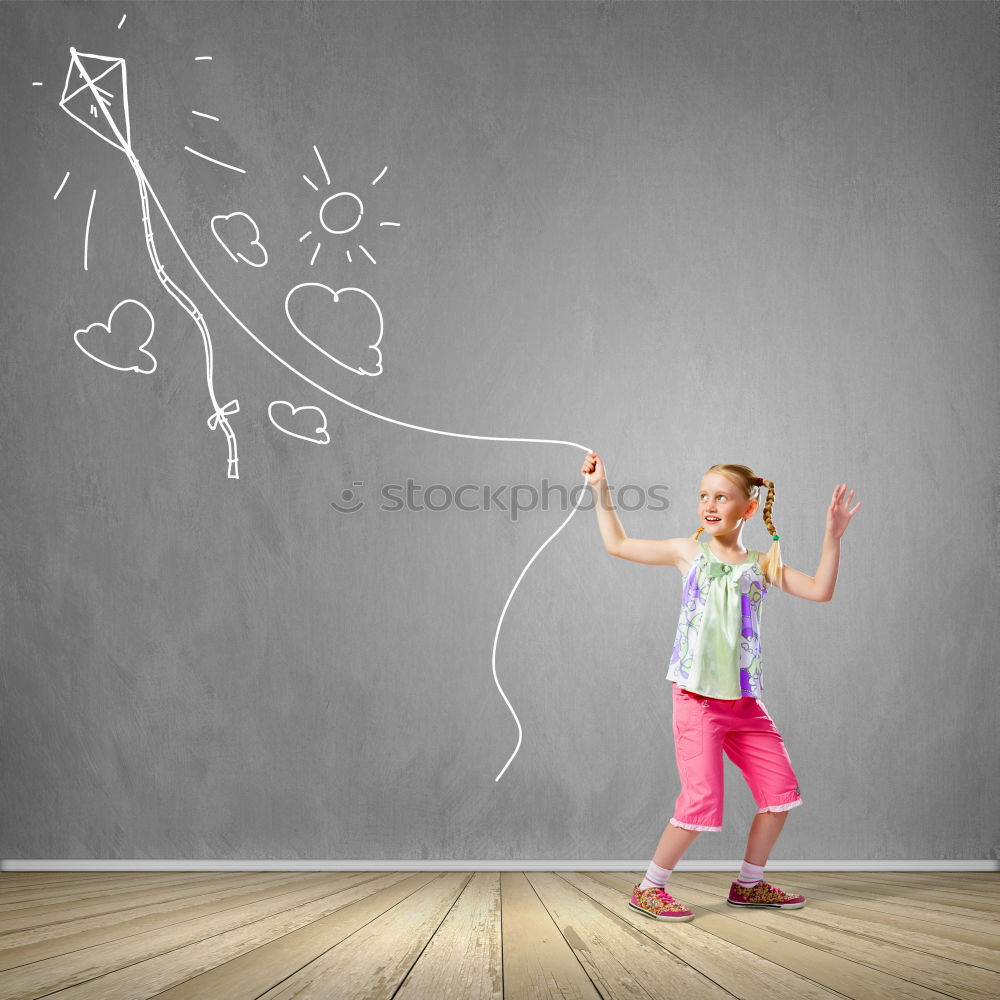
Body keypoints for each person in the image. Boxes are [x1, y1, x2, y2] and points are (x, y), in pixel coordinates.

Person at [580, 453, 861, 921]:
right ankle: (649, 887)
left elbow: (820, 590)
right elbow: (618, 544)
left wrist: (832, 537)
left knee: (780, 794)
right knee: (701, 799)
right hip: (696, 702)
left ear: (747, 509)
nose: (709, 505)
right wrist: (600, 487)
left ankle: (749, 884)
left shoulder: (761, 564)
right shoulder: (685, 552)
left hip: (744, 705)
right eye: (703, 496)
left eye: (721, 497)